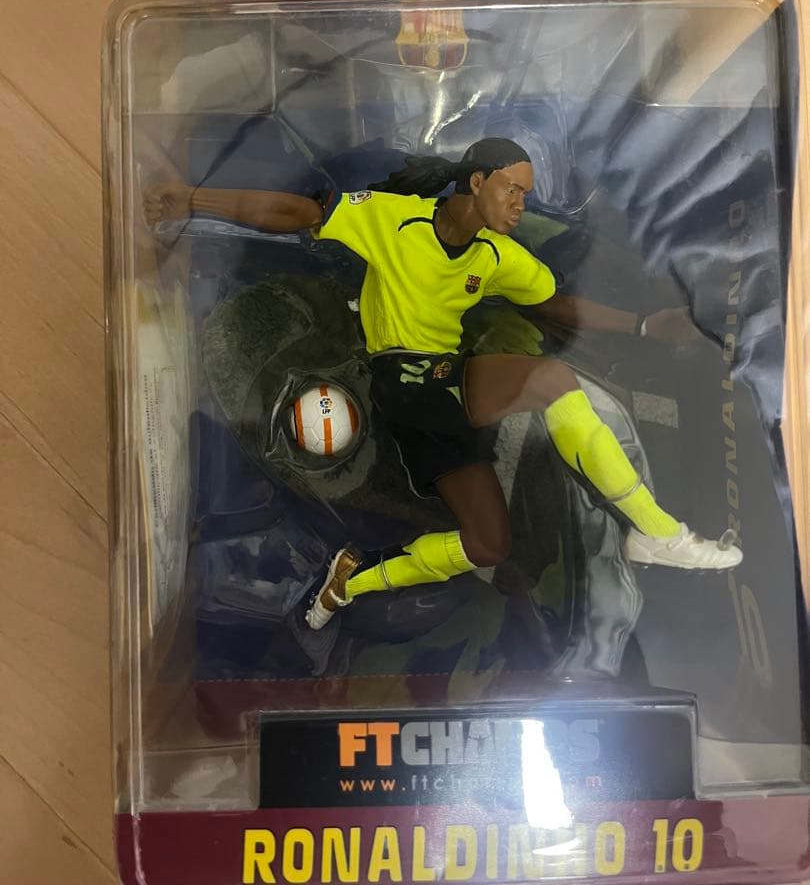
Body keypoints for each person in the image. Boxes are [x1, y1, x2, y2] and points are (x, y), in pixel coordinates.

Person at [144, 138, 742, 631]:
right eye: (512, 189)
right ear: (476, 181)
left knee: (488, 544)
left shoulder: (496, 256)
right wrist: (193, 199)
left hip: (442, 383)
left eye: (527, 194)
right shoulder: (393, 219)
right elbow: (297, 213)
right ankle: (656, 531)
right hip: (401, 381)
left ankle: (350, 582)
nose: (520, 204)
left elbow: (554, 304)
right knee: (550, 379)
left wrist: (645, 325)